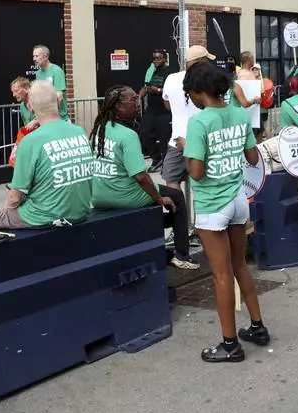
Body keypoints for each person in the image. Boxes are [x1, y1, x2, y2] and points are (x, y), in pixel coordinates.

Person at [183, 61, 269, 363]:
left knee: (221, 276)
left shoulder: (199, 123)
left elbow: (196, 172)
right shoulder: (239, 114)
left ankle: (230, 344)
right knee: (239, 267)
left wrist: (187, 149)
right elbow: (253, 157)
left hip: (212, 205)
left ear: (198, 91)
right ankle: (257, 327)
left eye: (190, 94)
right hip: (238, 200)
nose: (191, 99)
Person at [89, 85, 198, 270]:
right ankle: (181, 255)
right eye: (132, 100)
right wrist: (159, 198)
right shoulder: (128, 136)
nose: (138, 103)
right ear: (118, 106)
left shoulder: (100, 128)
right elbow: (141, 177)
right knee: (176, 197)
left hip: (99, 195)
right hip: (124, 196)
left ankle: (156, 232)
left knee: (167, 201)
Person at [0, 80, 95, 230]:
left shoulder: (30, 141)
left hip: (46, 216)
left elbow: (15, 198)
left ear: (30, 107)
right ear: (57, 102)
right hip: (81, 212)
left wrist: (5, 213)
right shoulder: (79, 131)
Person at [160, 44, 212, 189]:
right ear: (201, 61)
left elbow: (167, 105)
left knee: (172, 180)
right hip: (204, 140)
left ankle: (178, 204)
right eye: (207, 60)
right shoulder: (209, 80)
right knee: (205, 180)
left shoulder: (171, 78)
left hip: (178, 140)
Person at [139, 48, 171, 171]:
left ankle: (165, 163)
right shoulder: (151, 71)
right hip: (151, 110)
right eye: (154, 58)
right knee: (144, 134)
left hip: (164, 112)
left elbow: (171, 90)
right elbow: (146, 87)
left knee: (164, 139)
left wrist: (157, 90)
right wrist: (139, 96)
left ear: (165, 59)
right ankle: (156, 158)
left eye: (159, 58)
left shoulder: (169, 73)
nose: (156, 61)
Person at [32, 45, 69, 120]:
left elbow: (59, 96)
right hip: (44, 118)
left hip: (60, 118)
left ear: (46, 57)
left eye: (37, 56)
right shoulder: (38, 73)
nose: (34, 59)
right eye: (33, 56)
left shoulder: (56, 70)